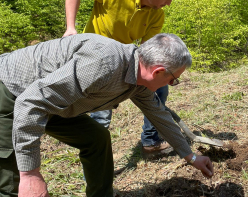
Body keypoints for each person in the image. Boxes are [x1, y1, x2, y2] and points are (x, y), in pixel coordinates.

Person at [0, 33, 214, 197]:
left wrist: (191, 156)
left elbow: (160, 115)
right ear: (158, 71)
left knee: (97, 139)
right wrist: (30, 174)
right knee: (11, 178)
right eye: (173, 80)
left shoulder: (137, 81)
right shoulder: (104, 62)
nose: (171, 85)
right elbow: (30, 102)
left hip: (52, 101)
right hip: (12, 91)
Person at [63, 0, 173, 155]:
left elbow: (145, 51)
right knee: (101, 116)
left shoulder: (156, 15)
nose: (168, 4)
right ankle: (95, 168)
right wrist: (70, 27)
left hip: (123, 60)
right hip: (95, 57)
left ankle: (151, 142)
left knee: (160, 87)